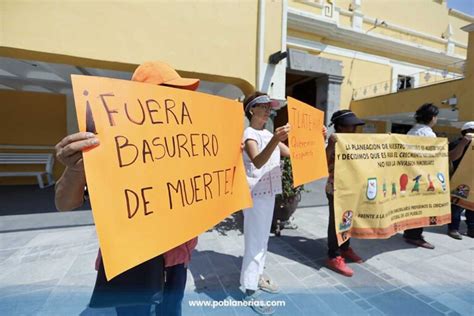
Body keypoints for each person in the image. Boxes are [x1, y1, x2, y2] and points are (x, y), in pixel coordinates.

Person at [55, 61, 199, 316]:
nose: (176, 101)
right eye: (166, 93)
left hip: (177, 257)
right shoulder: (110, 143)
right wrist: (75, 168)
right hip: (132, 262)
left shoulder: (187, 144)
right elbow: (64, 203)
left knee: (171, 311)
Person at [240, 92, 290, 315]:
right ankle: (249, 288)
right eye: (264, 106)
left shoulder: (268, 133)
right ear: (252, 110)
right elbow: (258, 161)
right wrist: (275, 140)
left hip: (268, 193)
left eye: (270, 106)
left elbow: (290, 153)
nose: (269, 109)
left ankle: (257, 277)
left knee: (262, 241)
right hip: (255, 195)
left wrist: (314, 138)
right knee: (254, 241)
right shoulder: (249, 133)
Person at [325, 110, 365, 277]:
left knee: (348, 219)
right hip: (336, 189)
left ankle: (345, 248)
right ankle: (333, 255)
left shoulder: (354, 141)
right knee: (337, 222)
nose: (355, 129)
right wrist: (332, 145)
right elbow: (323, 164)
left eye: (356, 126)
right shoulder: (333, 141)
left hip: (351, 188)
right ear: (340, 127)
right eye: (351, 126)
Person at [403, 103, 438, 249]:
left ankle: (411, 232)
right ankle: (415, 236)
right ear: (432, 117)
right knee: (422, 207)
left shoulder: (412, 131)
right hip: (423, 174)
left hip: (411, 173)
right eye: (436, 117)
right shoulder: (427, 134)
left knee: (413, 206)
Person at [447, 121, 474, 239]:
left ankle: (472, 229)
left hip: (472, 181)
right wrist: (463, 143)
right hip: (458, 181)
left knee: (472, 207)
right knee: (456, 206)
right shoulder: (457, 143)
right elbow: (450, 157)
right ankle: (453, 228)